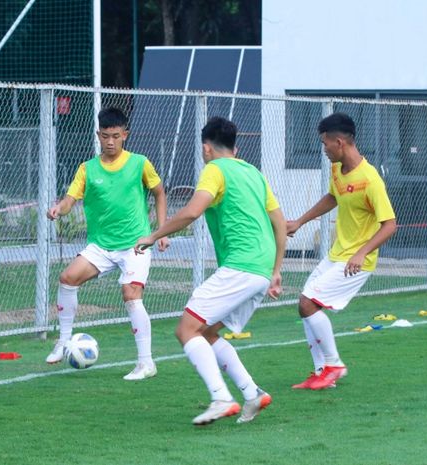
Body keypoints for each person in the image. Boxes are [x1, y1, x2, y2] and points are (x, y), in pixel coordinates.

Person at [135, 116, 286, 425]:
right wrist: (276, 270)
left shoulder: (214, 169)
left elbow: (192, 211)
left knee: (186, 329)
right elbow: (280, 223)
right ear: (236, 147)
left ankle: (221, 398)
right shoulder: (253, 172)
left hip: (241, 266)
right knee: (207, 332)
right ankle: (252, 392)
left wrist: (154, 235)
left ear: (206, 149)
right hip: (259, 269)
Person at [45, 107, 169, 380]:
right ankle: (64, 341)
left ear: (125, 135)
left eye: (115, 136)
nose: (110, 142)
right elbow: (70, 200)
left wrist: (161, 231)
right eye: (104, 136)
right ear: (97, 135)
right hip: (101, 245)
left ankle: (146, 363)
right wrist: (58, 209)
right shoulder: (87, 168)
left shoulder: (140, 163)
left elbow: (160, 193)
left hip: (135, 244)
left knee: (130, 294)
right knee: (67, 278)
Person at [287, 112, 396, 390]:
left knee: (308, 302)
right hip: (337, 254)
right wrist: (300, 221)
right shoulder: (337, 170)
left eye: (325, 144)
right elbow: (332, 197)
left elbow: (390, 225)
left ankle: (334, 364)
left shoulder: (370, 179)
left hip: (358, 260)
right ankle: (322, 371)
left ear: (339, 142)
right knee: (305, 307)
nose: (323, 149)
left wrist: (361, 253)